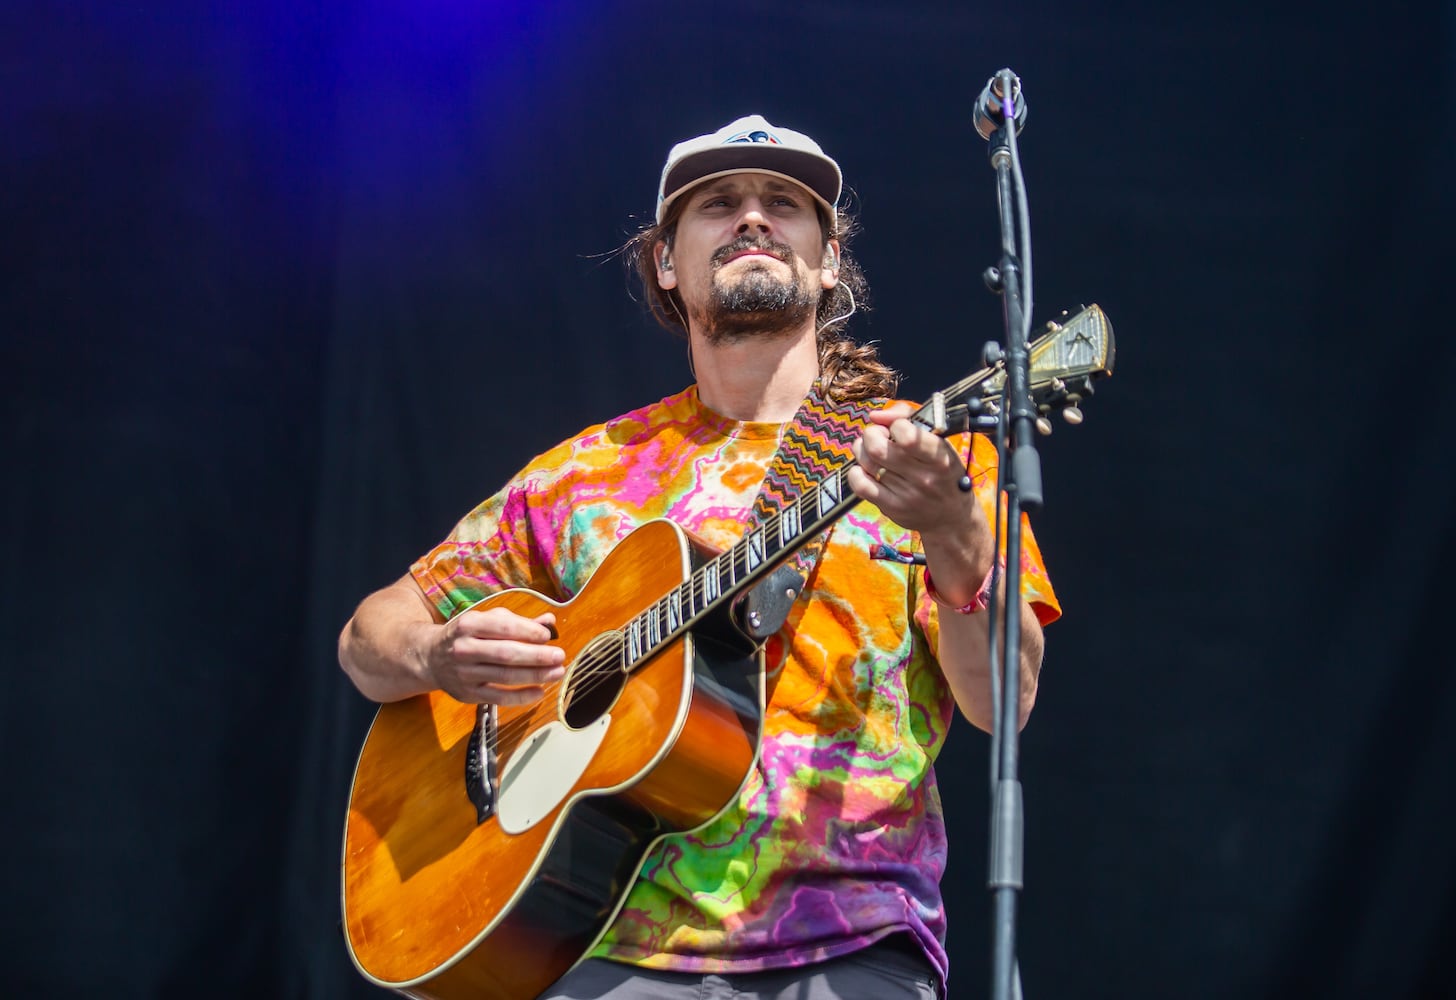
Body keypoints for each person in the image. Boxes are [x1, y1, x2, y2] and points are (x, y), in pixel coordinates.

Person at [339, 114, 1060, 999]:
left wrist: (953, 534)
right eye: (719, 204)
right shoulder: (584, 475)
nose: (753, 218)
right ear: (666, 265)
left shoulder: (923, 463)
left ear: (829, 260)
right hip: (606, 948)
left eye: (784, 205)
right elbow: (368, 637)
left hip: (854, 945)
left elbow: (1005, 705)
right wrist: (435, 654)